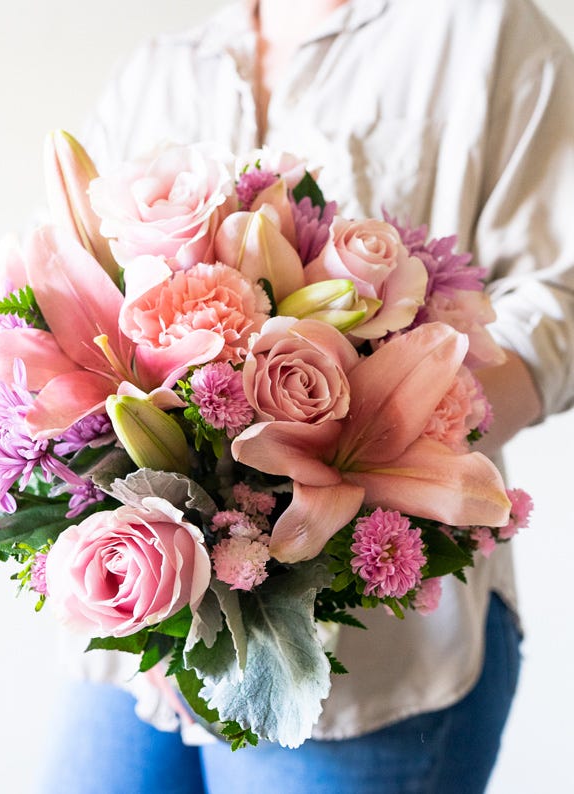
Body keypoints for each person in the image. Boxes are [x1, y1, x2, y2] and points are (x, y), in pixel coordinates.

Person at [38, 1, 574, 792]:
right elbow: (73, 291)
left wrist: (378, 423)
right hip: (136, 629)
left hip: (375, 661)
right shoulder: (159, 70)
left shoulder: (482, 30)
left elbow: (561, 291)